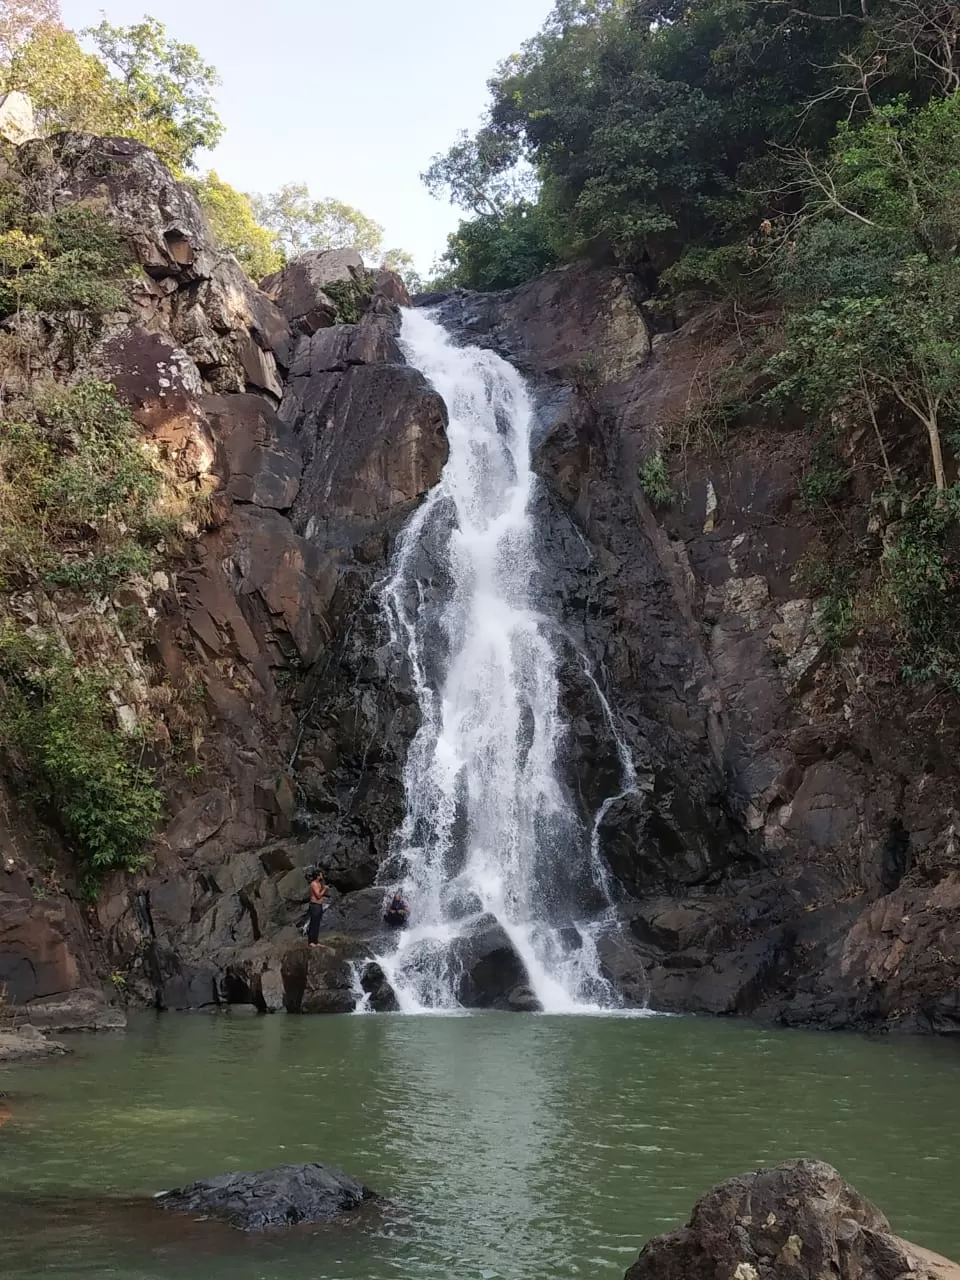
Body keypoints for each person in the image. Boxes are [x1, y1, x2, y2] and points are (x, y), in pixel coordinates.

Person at [306, 869, 328, 947]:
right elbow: (318, 896)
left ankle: (315, 941)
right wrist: (324, 890)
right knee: (313, 923)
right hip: (314, 905)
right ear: (317, 876)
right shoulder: (314, 884)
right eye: (321, 874)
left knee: (317, 924)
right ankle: (310, 941)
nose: (322, 876)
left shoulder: (319, 883)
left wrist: (324, 888)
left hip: (319, 905)